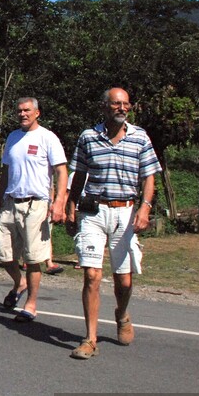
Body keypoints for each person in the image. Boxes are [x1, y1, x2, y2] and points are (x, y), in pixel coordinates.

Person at [66, 87, 161, 360]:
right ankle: (90, 339)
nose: (122, 108)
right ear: (104, 106)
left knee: (125, 280)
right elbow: (79, 174)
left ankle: (121, 313)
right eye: (116, 104)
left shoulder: (139, 137)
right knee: (92, 275)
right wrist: (71, 206)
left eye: (126, 104)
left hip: (126, 212)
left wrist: (145, 208)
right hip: (94, 212)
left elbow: (149, 176)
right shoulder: (89, 137)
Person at [0, 97, 67, 322]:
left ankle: (31, 305)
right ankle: (20, 283)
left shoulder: (47, 138)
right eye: (19, 111)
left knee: (33, 258)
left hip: (36, 204)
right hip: (10, 203)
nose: (22, 114)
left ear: (37, 113)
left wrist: (60, 201)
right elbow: (5, 171)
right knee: (4, 255)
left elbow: (61, 171)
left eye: (27, 110)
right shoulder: (13, 138)